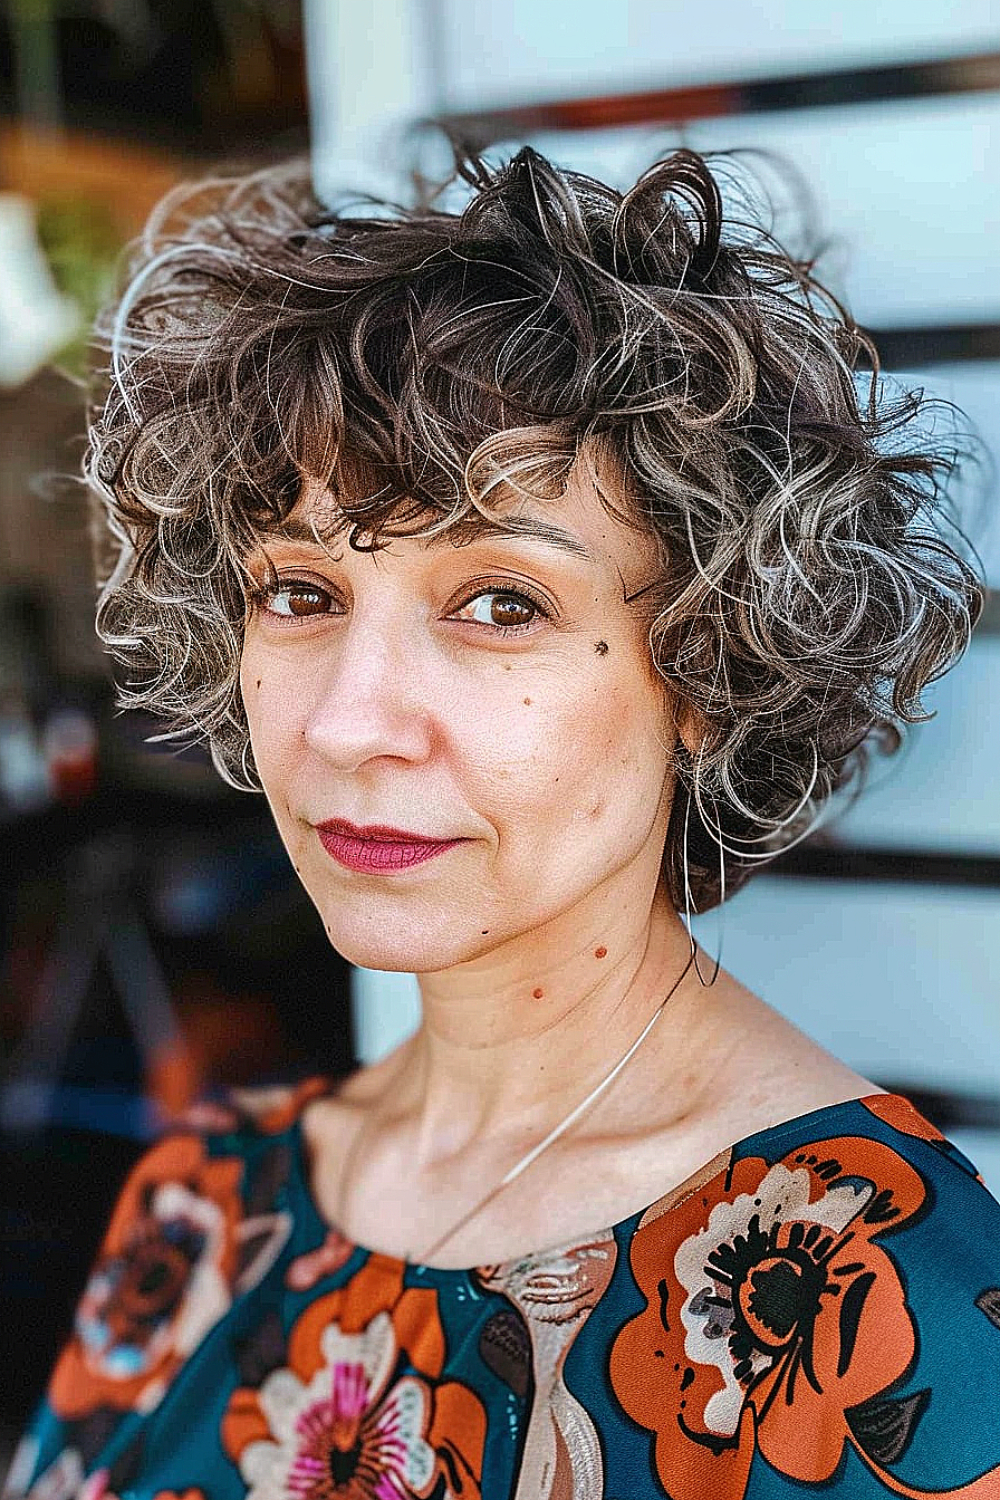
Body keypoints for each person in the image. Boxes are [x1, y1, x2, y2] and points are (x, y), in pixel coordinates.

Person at [6, 146, 999, 1500]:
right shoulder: (203, 1211)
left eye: (500, 604)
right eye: (297, 592)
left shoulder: (881, 1313)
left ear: (709, 673)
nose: (352, 722)